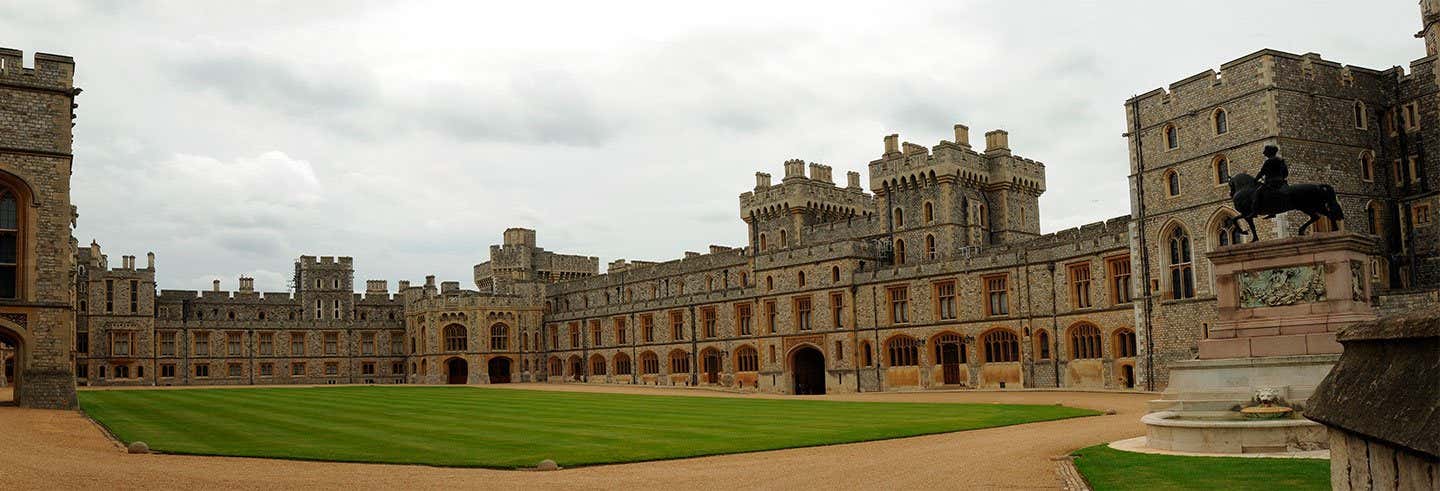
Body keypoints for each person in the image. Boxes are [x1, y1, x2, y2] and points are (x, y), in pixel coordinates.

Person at [1255, 144, 1289, 218]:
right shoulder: (1281, 160)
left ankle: (1268, 212)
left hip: (1272, 183)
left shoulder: (1269, 161)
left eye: (1265, 152)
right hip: (1282, 182)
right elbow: (1286, 173)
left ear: (1269, 152)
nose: (1264, 153)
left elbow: (1262, 172)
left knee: (1258, 193)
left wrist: (1255, 180)